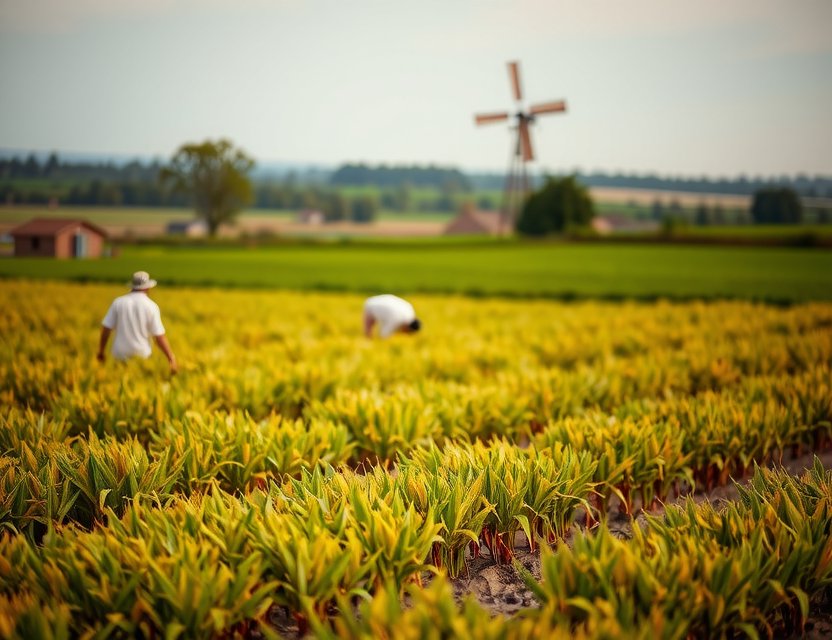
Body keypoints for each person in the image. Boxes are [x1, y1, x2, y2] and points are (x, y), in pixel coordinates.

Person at [97, 271, 178, 373]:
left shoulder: (118, 303)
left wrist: (101, 351)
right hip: (142, 355)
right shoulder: (151, 306)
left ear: (132, 287)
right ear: (147, 288)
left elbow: (106, 329)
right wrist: (171, 357)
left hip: (119, 354)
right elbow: (159, 337)